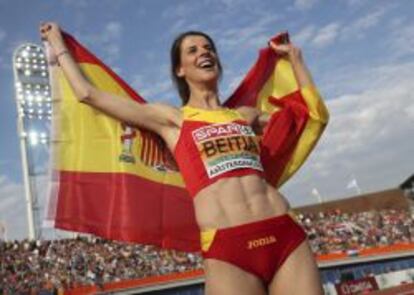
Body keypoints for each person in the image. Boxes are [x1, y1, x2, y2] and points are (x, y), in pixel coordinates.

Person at [40, 22, 324, 295]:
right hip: (229, 248)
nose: (204, 52)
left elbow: (305, 117)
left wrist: (296, 60)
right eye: (193, 50)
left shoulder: (244, 115)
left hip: (284, 232)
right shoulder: (172, 119)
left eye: (208, 47)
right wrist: (58, 45)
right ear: (180, 69)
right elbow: (88, 94)